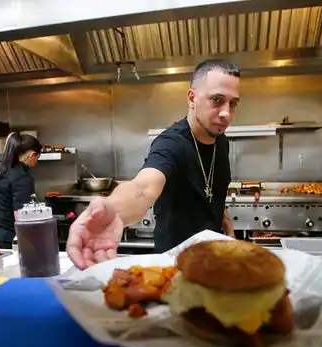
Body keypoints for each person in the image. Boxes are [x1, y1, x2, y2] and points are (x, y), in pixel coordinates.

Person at [67, 58, 239, 269]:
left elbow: (212, 191)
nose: (226, 113)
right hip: (174, 266)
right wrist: (113, 209)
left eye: (233, 103)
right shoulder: (171, 144)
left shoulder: (221, 140)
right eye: (217, 100)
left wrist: (227, 226)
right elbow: (143, 187)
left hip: (212, 259)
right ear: (192, 98)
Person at [0, 132, 42, 248]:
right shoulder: (23, 178)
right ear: (31, 154)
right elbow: (21, 214)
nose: (36, 162)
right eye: (37, 158)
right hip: (9, 239)